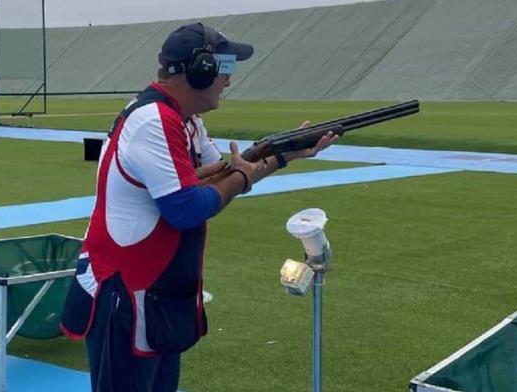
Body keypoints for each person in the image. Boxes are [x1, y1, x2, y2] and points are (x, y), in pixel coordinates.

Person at [60, 23, 337, 392]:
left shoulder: (185, 121)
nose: (228, 79)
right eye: (226, 67)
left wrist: (286, 153)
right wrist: (243, 176)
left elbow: (223, 175)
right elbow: (187, 207)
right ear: (201, 69)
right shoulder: (152, 121)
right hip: (124, 297)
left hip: (155, 296)